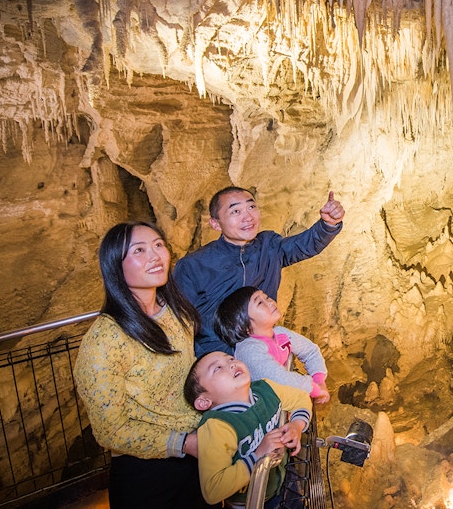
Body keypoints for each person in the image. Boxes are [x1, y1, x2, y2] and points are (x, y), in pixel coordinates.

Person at [74, 221, 217, 509]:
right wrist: (184, 443)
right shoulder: (105, 340)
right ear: (116, 265)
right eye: (139, 250)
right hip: (147, 472)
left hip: (196, 452)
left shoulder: (176, 312)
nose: (155, 256)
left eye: (158, 245)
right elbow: (109, 430)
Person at [173, 186, 345, 355]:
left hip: (264, 350)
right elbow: (179, 324)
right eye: (235, 211)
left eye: (251, 207)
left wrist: (327, 225)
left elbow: (303, 245)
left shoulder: (269, 246)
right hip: (219, 362)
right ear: (215, 224)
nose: (247, 217)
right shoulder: (193, 266)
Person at [183, 351, 312, 508]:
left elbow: (301, 398)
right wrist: (258, 456)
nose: (231, 364)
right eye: (217, 368)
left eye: (230, 358)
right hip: (252, 502)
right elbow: (213, 490)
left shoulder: (266, 388)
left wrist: (297, 425)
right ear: (204, 401)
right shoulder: (217, 426)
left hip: (283, 479)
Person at [213, 286, 330, 403]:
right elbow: (278, 378)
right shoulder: (249, 350)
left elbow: (310, 351)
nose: (269, 302)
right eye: (259, 302)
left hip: (284, 398)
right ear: (242, 325)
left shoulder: (281, 333)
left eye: (266, 297)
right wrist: (314, 389)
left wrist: (319, 379)